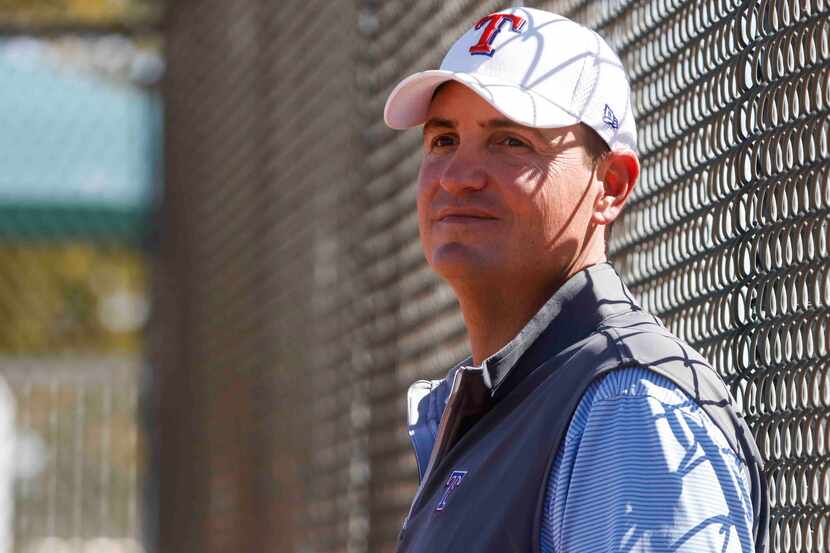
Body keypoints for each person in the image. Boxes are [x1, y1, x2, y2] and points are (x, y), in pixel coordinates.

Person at [383, 7, 768, 553]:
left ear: (609, 184)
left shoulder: (629, 406)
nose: (457, 177)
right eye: (443, 140)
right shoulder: (504, 402)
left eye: (511, 141)